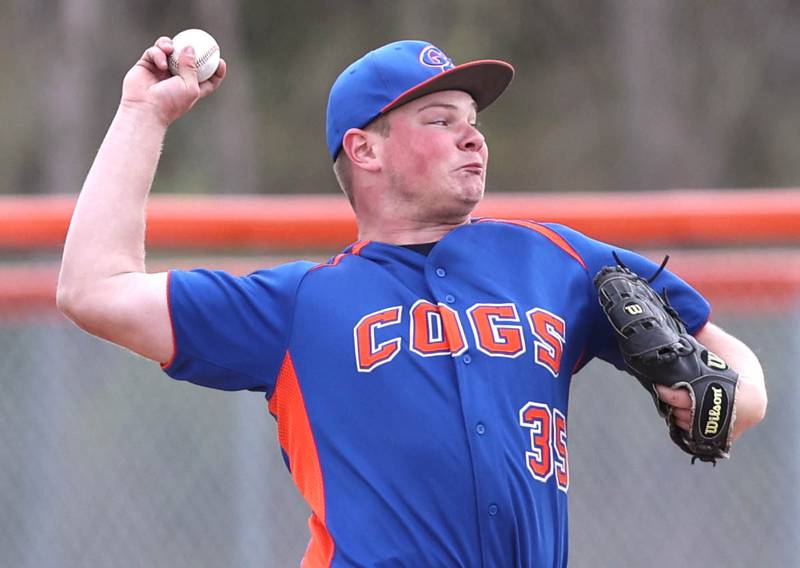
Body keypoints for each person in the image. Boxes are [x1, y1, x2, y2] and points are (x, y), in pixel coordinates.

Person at [58, 38, 767, 567]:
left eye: (473, 119)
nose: (472, 134)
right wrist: (141, 115)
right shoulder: (299, 306)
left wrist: (728, 399)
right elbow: (94, 288)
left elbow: (731, 365)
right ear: (364, 149)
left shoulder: (555, 261)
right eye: (439, 119)